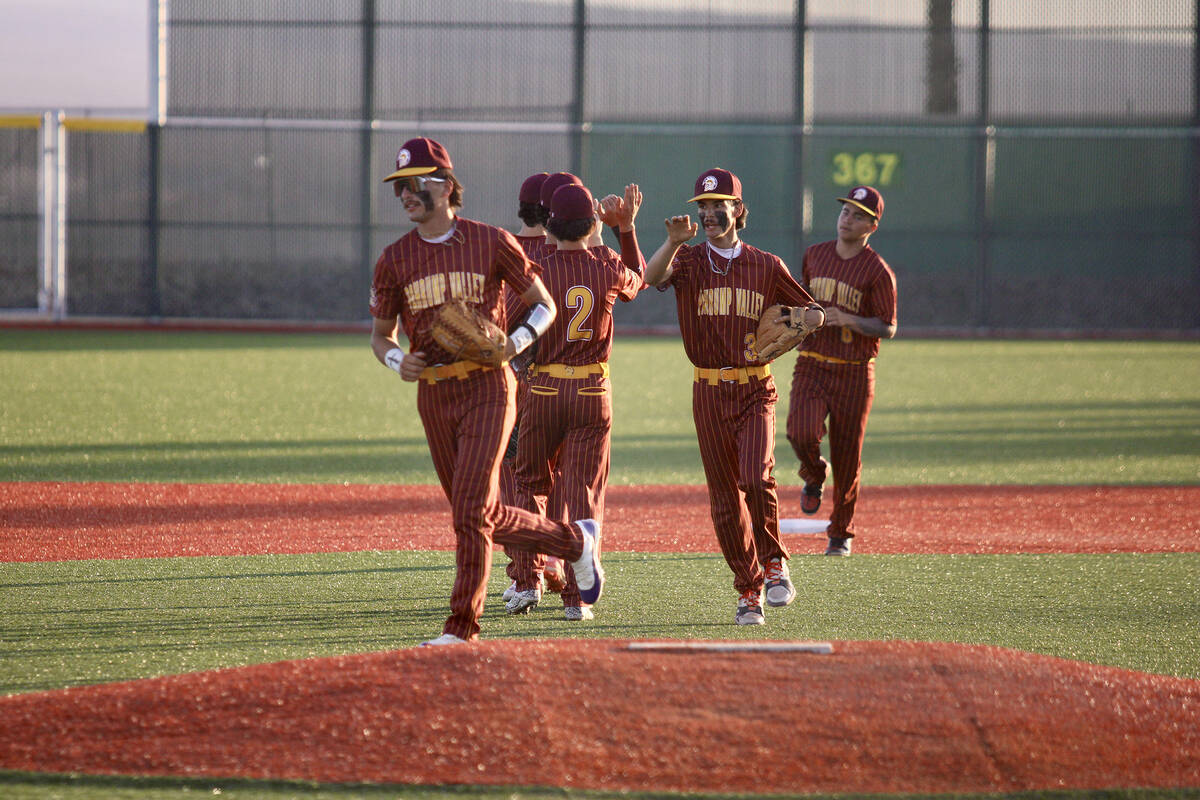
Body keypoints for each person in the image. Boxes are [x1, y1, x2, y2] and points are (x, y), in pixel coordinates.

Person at [368, 137, 604, 645]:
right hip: (433, 393)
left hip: (490, 386)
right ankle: (574, 542)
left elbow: (544, 306)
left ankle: (462, 626)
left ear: (447, 186)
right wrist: (395, 359)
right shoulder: (394, 259)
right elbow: (381, 336)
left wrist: (513, 343)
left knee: (472, 509)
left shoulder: (490, 241)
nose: (406, 194)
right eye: (400, 186)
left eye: (416, 183)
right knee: (476, 514)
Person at [643, 167, 821, 626]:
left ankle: (775, 561)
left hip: (755, 387)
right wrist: (673, 242)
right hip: (707, 390)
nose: (708, 214)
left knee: (755, 476)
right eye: (702, 207)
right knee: (723, 499)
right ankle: (748, 590)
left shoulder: (766, 264)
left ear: (738, 210)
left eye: (717, 206)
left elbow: (813, 313)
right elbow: (649, 275)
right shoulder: (688, 260)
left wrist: (797, 326)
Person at [509, 182, 645, 620]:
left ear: (550, 222)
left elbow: (510, 320)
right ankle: (575, 599)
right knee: (581, 493)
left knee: (530, 486)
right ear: (590, 225)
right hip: (591, 391)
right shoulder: (605, 262)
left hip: (544, 389)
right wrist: (625, 231)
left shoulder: (536, 267)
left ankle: (527, 582)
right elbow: (637, 280)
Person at [786, 185, 897, 557]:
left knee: (848, 455)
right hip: (813, 363)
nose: (847, 219)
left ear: (872, 226)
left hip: (854, 371)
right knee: (799, 433)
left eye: (858, 215)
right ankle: (815, 475)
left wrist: (847, 318)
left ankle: (841, 532)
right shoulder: (815, 255)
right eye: (845, 212)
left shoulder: (877, 271)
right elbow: (801, 296)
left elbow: (888, 326)